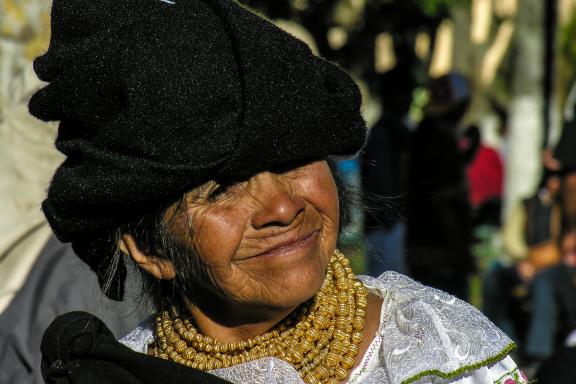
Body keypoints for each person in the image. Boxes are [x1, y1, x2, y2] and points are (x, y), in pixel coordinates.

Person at [31, 0, 526, 383]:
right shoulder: (128, 373)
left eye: (291, 161)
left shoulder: (436, 345)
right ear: (148, 249)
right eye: (222, 189)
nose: (284, 207)